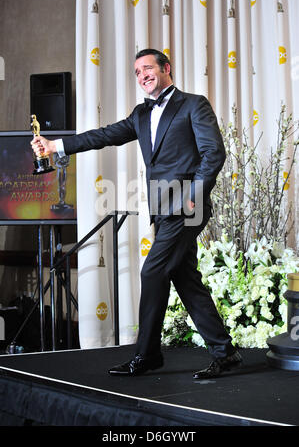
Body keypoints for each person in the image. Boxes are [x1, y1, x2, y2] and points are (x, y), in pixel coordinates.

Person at [31, 49, 242, 379]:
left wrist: (194, 194)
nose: (142, 75)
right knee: (186, 280)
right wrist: (56, 146)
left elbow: (213, 153)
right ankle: (224, 351)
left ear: (166, 68)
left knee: (152, 272)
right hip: (162, 208)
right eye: (137, 71)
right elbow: (105, 135)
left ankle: (146, 355)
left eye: (147, 68)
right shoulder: (141, 115)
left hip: (188, 206)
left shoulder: (193, 104)